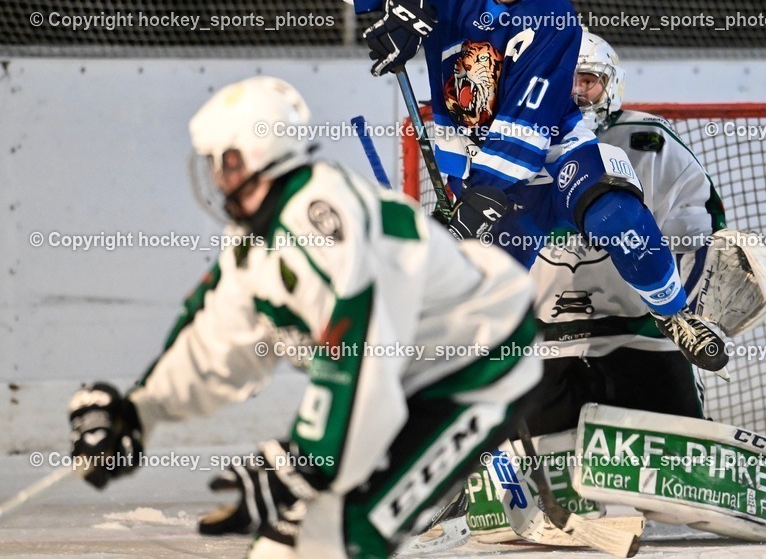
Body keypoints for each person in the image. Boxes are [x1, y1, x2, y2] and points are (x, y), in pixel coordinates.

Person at [67, 76, 543, 558]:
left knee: (341, 534)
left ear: (261, 154)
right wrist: (138, 412)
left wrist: (302, 463)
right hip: (406, 376)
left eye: (227, 161)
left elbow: (362, 359)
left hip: (480, 362)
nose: (217, 177)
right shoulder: (254, 239)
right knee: (290, 545)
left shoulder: (323, 219)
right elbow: (218, 344)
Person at [337, 0, 729, 376]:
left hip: (556, 158)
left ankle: (674, 315)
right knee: (478, 313)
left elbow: (525, 133)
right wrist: (389, 1)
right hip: (484, 178)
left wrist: (474, 204)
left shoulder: (554, 18)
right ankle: (481, 434)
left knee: (617, 215)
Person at [526, 31, 766, 436]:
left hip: (645, 332)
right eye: (565, 80)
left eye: (588, 81)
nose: (576, 93)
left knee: (684, 473)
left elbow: (698, 235)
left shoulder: (651, 144)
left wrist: (694, 306)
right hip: (544, 342)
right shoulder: (512, 146)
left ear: (611, 86)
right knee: (535, 485)